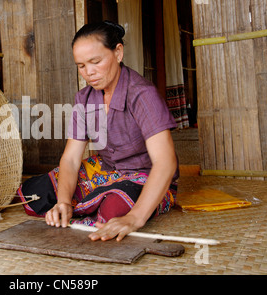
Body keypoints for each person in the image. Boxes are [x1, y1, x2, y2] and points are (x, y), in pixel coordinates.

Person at [17, 21, 178, 242]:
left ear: (118, 52)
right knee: (33, 194)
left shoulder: (142, 95)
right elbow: (71, 159)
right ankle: (85, 204)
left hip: (144, 174)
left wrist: (135, 218)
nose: (89, 73)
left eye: (96, 62)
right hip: (105, 169)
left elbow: (165, 162)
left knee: (114, 212)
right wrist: (63, 202)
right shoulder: (84, 99)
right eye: (81, 66)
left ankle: (112, 205)